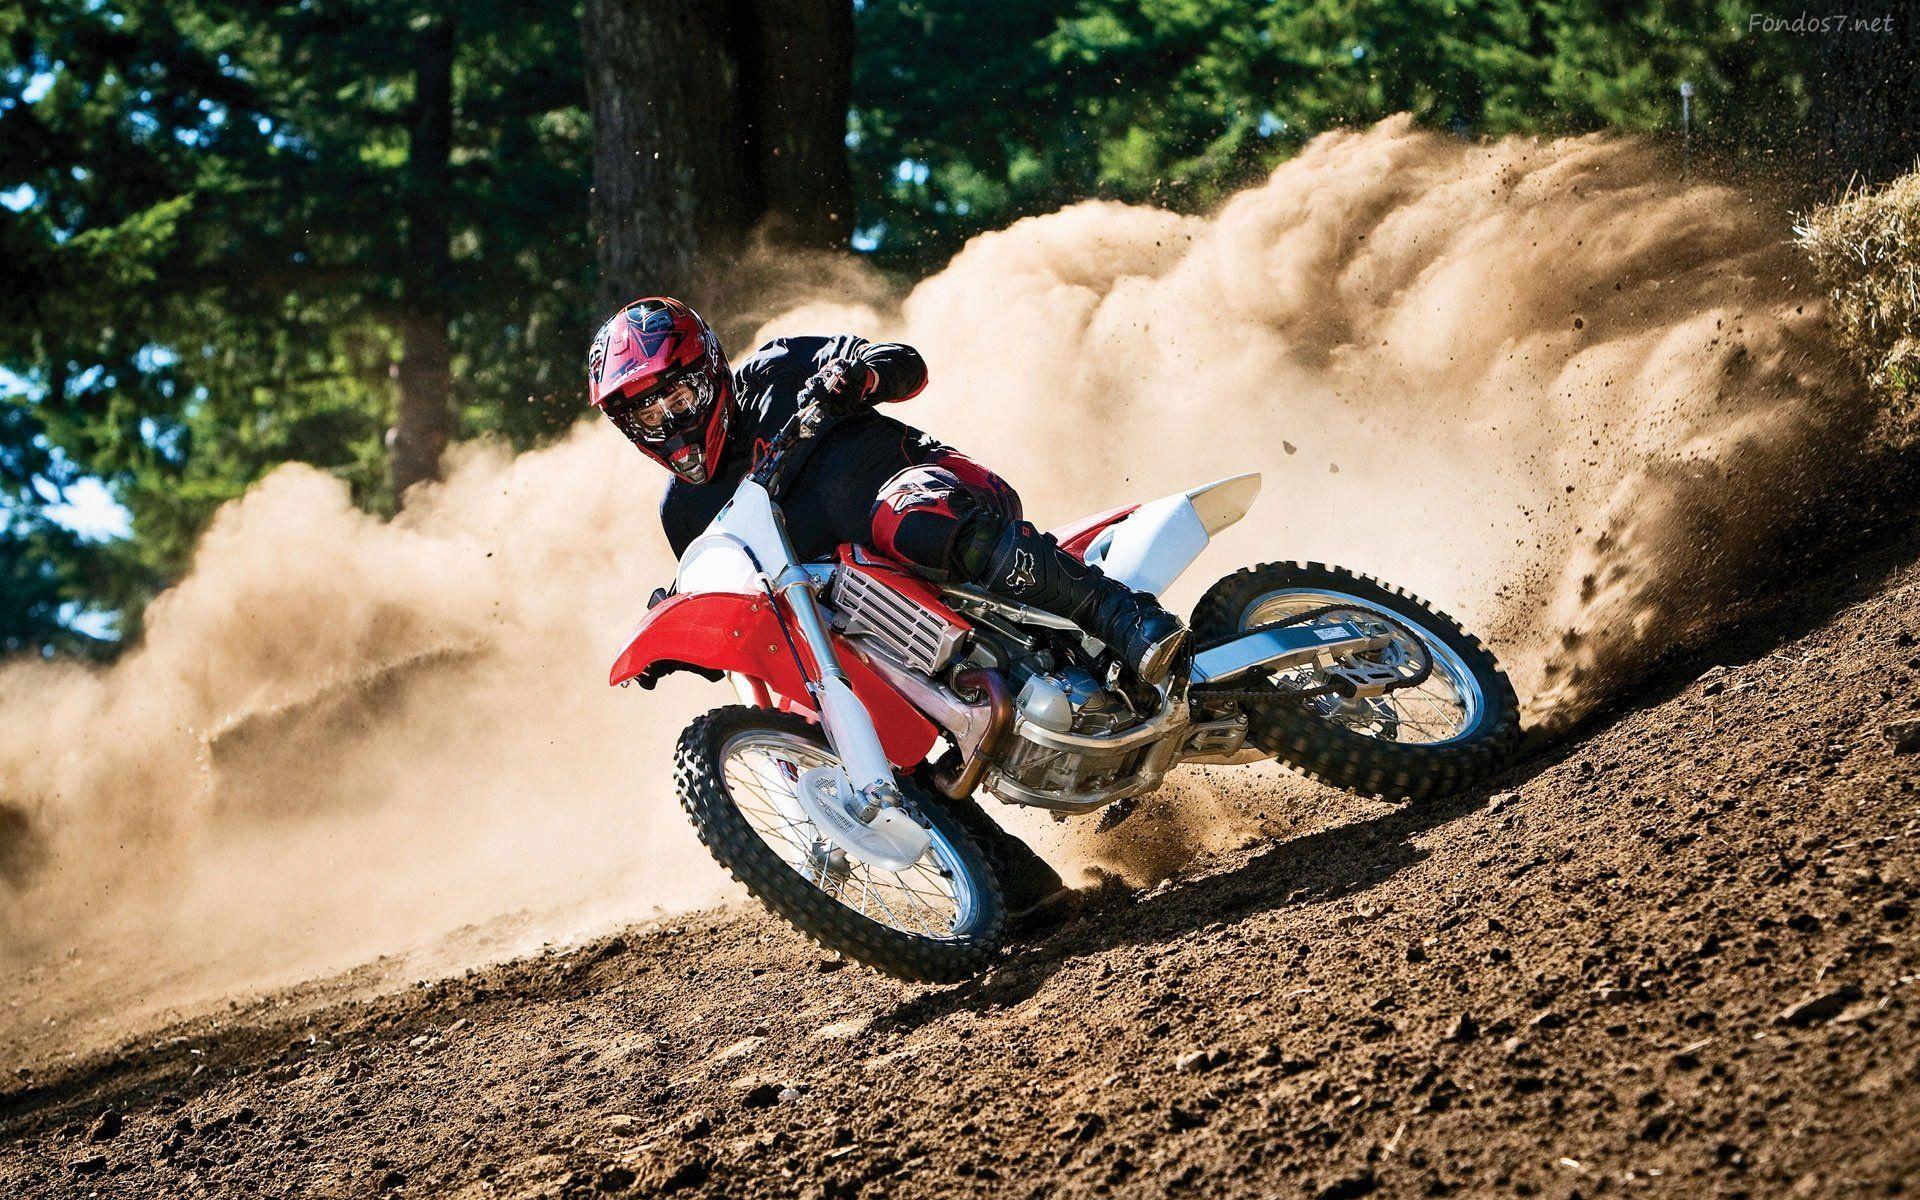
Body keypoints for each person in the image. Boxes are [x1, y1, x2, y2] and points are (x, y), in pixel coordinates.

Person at [587, 296, 1189, 687]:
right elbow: (737, 621)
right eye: (648, 415)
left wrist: (860, 375)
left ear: (711, 368)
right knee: (812, 671)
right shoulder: (684, 513)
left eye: (678, 397)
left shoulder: (778, 369)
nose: (670, 423)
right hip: (868, 618)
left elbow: (907, 363)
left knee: (910, 514)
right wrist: (679, 632)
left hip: (940, 493)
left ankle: (1125, 617)